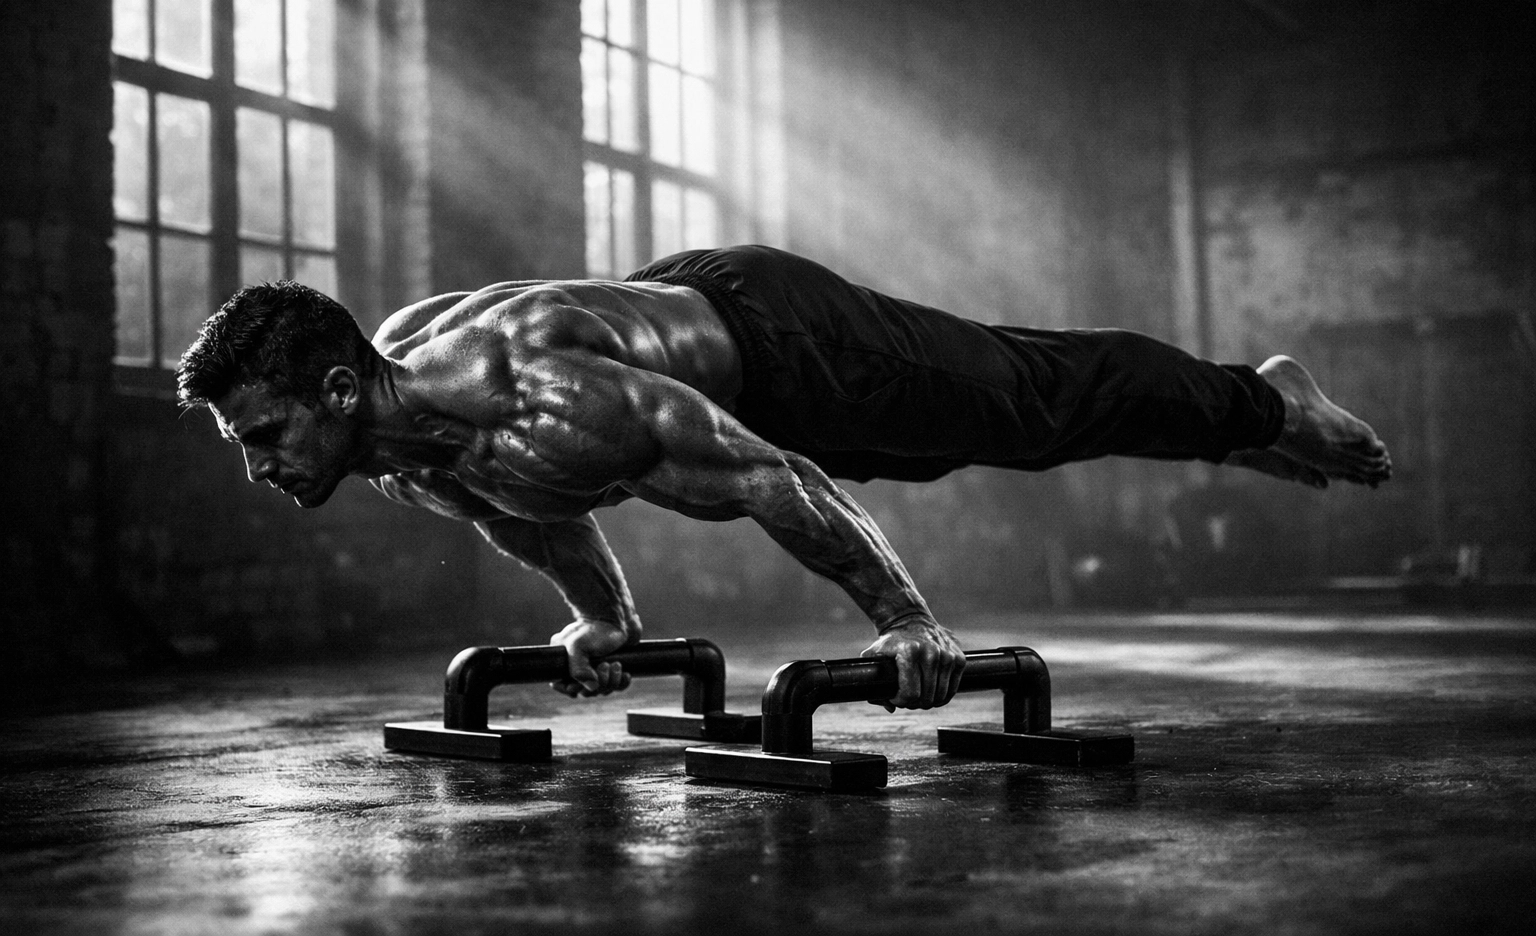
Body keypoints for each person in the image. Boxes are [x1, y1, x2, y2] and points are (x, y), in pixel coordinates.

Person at [177, 246, 1391, 709]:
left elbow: (770, 477)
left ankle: (1266, 395)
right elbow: (520, 512)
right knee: (992, 431)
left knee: (1028, 405)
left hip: (788, 340)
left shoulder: (541, 395)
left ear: (337, 390)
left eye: (264, 433)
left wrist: (906, 620)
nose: (259, 465)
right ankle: (1239, 421)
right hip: (692, 330)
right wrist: (602, 615)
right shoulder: (397, 439)